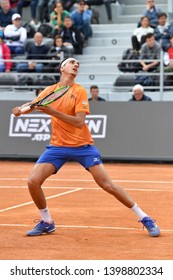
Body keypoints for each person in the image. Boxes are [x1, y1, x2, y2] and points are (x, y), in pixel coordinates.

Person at [12, 57, 160, 238]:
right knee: (33, 182)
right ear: (62, 68)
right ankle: (47, 222)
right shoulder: (49, 91)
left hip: (83, 146)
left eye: (78, 64)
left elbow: (79, 122)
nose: (76, 65)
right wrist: (20, 110)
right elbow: (33, 105)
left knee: (107, 184)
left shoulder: (79, 91)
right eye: (72, 62)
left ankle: (145, 217)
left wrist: (53, 112)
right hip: (57, 146)